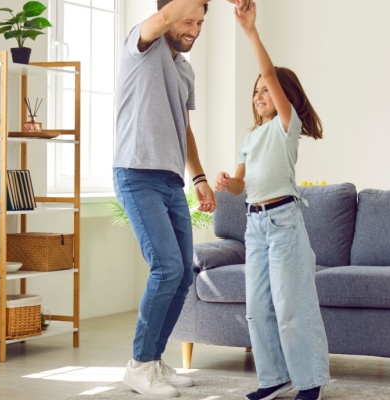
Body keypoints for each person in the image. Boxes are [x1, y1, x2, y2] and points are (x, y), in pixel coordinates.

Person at [113, 0, 250, 397]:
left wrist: (199, 178)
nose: (194, 30)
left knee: (183, 274)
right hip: (136, 173)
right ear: (171, 15)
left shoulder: (185, 69)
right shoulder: (142, 45)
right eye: (187, 21)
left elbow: (183, 129)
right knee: (166, 267)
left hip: (172, 181)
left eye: (200, 22)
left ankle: (153, 359)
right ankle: (139, 365)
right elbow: (162, 18)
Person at [213, 3, 328, 400]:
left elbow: (268, 72)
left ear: (283, 98)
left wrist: (250, 31)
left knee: (291, 306)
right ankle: (274, 376)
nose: (260, 94)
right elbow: (241, 185)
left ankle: (309, 381)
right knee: (257, 308)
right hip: (255, 225)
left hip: (283, 223)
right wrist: (226, 183)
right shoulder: (250, 139)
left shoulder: (285, 126)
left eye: (267, 89)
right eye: (256, 91)